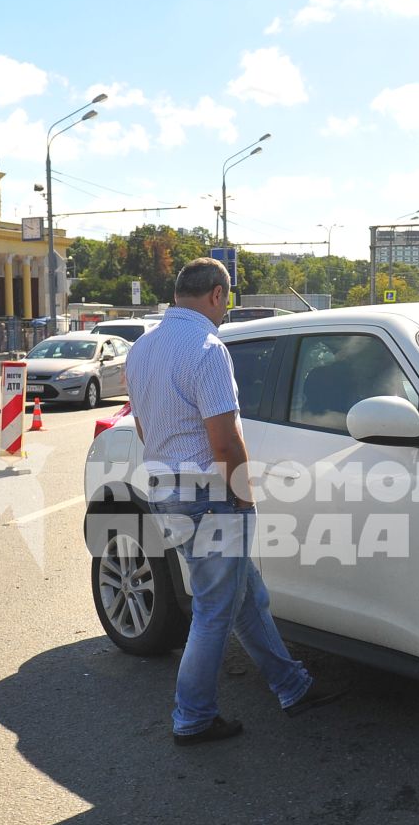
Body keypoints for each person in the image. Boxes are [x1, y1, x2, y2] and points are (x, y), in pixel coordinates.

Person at [124, 257, 342, 745]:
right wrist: (244, 497)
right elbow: (224, 440)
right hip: (210, 498)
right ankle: (193, 718)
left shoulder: (141, 349)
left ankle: (292, 686)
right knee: (213, 611)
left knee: (245, 596)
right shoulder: (207, 349)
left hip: (165, 491)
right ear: (218, 295)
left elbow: (142, 425)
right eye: (227, 301)